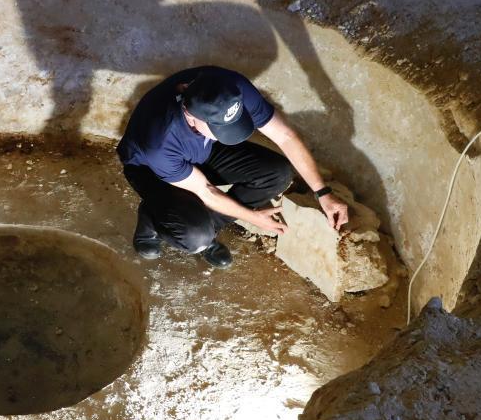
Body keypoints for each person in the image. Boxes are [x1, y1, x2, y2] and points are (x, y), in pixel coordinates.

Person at [117, 65, 349, 269]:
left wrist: (323, 192)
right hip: (150, 169)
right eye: (221, 129)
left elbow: (286, 137)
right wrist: (251, 216)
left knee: (277, 174)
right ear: (190, 115)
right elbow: (206, 190)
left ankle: (210, 231)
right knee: (194, 236)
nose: (232, 133)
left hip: (201, 150)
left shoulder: (229, 87)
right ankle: (153, 214)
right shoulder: (159, 141)